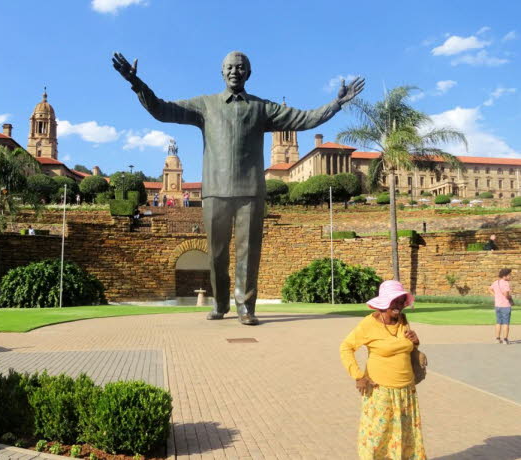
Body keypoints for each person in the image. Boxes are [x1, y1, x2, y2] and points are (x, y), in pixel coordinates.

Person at [112, 51, 364, 325]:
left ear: (248, 73)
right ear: (222, 72)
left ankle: (245, 307)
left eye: (240, 67)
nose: (235, 71)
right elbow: (161, 110)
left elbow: (304, 119)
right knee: (217, 254)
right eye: (229, 67)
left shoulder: (261, 107)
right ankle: (220, 303)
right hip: (215, 190)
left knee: (248, 253)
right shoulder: (205, 105)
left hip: (250, 191)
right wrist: (136, 83)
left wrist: (336, 104)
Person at [340, 280, 426, 460]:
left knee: (406, 435)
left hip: (406, 391)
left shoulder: (402, 320)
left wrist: (415, 342)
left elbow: (404, 347)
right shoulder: (368, 324)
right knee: (377, 437)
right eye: (394, 301)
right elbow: (346, 347)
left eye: (401, 301)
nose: (398, 306)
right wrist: (358, 376)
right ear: (383, 304)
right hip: (381, 391)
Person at [488, 268, 513, 344]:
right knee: (506, 323)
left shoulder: (496, 282)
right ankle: (505, 339)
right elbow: (506, 294)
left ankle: (497, 339)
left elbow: (489, 289)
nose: (510, 276)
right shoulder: (506, 283)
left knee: (498, 322)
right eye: (509, 275)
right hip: (505, 306)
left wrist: (495, 296)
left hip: (498, 305)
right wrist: (510, 298)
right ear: (504, 276)